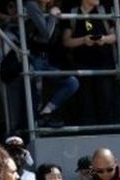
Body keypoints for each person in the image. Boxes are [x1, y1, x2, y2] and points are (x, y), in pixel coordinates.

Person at [23, 0, 79, 128]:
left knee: (72, 82)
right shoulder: (32, 5)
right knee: (35, 95)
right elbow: (46, 34)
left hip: (46, 60)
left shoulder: (47, 7)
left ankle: (46, 112)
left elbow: (50, 38)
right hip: (33, 59)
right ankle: (36, 123)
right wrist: (53, 17)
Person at [62, 0, 118, 126]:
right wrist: (83, 40)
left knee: (106, 102)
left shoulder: (104, 10)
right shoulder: (73, 13)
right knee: (85, 104)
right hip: (81, 65)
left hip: (104, 63)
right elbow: (66, 41)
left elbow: (115, 36)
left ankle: (107, 133)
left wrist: (103, 39)